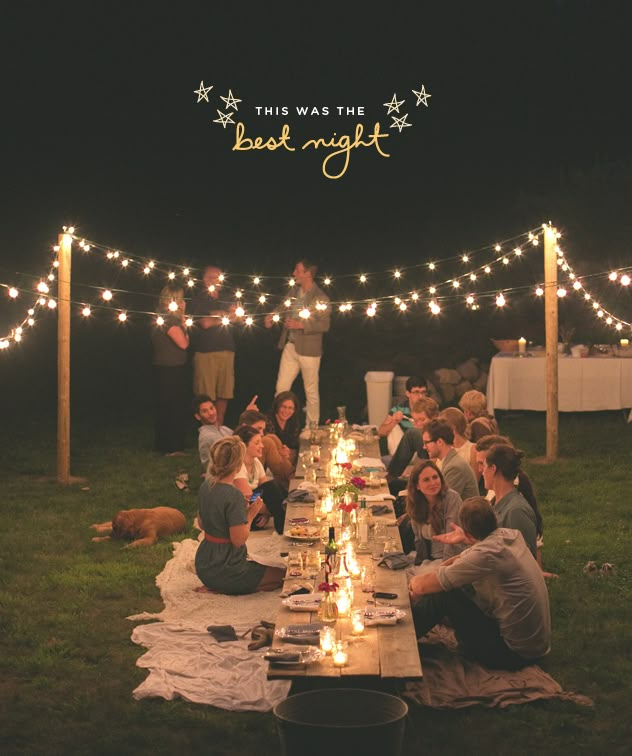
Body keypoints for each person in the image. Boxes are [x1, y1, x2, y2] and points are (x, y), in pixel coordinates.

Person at [409, 496, 551, 670]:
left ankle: (403, 637)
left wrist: (414, 585)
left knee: (443, 594)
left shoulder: (487, 555)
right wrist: (436, 575)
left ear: (468, 533)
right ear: (494, 520)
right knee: (445, 585)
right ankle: (409, 626)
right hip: (535, 646)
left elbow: (422, 586)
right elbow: (460, 560)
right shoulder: (509, 536)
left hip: (514, 654)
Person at [195, 436, 285, 594]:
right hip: (227, 567)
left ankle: (222, 586)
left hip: (204, 564)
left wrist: (238, 510)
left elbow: (202, 524)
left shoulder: (205, 486)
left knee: (267, 574)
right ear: (237, 464)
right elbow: (238, 540)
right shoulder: (233, 495)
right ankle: (225, 588)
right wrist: (251, 513)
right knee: (284, 576)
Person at [435, 442, 538, 559]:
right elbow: (497, 546)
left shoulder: (516, 511)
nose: (481, 471)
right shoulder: (496, 503)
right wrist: (468, 539)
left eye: (483, 465)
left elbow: (522, 558)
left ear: (493, 468)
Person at [265, 259, 330, 426]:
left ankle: (312, 427)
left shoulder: (320, 297)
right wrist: (272, 315)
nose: (294, 274)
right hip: (290, 346)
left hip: (309, 350)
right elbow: (283, 306)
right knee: (281, 389)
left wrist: (301, 325)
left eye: (298, 270)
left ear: (307, 274)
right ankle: (278, 425)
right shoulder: (294, 291)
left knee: (311, 391)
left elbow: (324, 324)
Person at [189, 266, 235, 426]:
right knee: (205, 395)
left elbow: (239, 317)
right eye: (211, 277)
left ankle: (219, 427)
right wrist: (225, 316)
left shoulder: (227, 297)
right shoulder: (199, 299)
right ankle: (207, 432)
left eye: (218, 277)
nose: (215, 280)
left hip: (227, 351)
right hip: (205, 353)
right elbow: (205, 323)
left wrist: (217, 314)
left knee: (224, 393)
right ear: (204, 279)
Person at [151, 285, 190, 455]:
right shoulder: (168, 319)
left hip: (167, 367)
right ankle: (172, 447)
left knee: (168, 406)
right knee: (172, 407)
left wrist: (183, 324)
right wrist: (183, 321)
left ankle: (164, 445)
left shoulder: (164, 317)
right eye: (180, 299)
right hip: (170, 369)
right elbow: (184, 343)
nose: (182, 303)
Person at [405, 460, 463, 567]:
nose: (433, 483)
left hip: (449, 561)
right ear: (417, 486)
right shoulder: (416, 503)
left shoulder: (452, 498)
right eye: (426, 480)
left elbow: (453, 543)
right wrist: (419, 564)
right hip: (428, 560)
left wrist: (442, 569)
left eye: (435, 477)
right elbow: (419, 541)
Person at [232, 425, 288, 535]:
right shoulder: (238, 467)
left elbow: (267, 491)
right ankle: (284, 525)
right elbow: (247, 499)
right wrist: (272, 510)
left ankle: (287, 517)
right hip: (242, 515)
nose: (262, 446)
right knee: (272, 487)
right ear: (244, 446)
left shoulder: (255, 462)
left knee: (276, 486)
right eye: (257, 443)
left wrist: (267, 514)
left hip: (257, 509)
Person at [421, 419, 480, 501]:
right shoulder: (448, 462)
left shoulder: (455, 467)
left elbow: (443, 503)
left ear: (440, 442)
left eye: (426, 442)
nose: (424, 447)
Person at [238, 408, 295, 487]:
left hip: (260, 489)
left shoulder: (257, 463)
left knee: (271, 437)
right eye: (258, 428)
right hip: (248, 495)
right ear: (244, 427)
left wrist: (283, 456)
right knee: (267, 441)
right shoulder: (236, 451)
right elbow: (249, 494)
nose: (261, 433)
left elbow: (265, 488)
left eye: (263, 429)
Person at [378, 376, 428, 455]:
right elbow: (380, 432)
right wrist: (394, 421)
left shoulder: (429, 408)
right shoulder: (399, 409)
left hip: (423, 449)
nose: (420, 397)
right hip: (403, 449)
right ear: (408, 393)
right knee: (394, 427)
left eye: (423, 392)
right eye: (416, 392)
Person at [438, 406, 478, 480]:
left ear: (453, 428)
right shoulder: (441, 447)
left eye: (441, 426)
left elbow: (474, 481)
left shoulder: (472, 450)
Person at [193, 395, 233, 468]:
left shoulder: (224, 429)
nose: (211, 413)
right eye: (205, 411)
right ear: (198, 416)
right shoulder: (207, 436)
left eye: (211, 408)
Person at [266, 391, 301, 465]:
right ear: (277, 407)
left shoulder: (294, 421)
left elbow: (294, 448)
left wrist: (288, 453)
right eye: (283, 407)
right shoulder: (268, 421)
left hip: (288, 460)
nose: (286, 411)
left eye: (290, 408)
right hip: (270, 463)